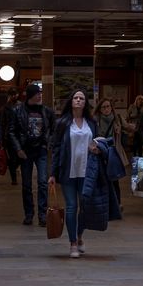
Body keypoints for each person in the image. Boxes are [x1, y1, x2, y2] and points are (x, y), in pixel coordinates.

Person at [49, 90, 102, 259]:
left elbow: (99, 141)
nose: (78, 100)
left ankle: (79, 236)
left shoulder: (91, 123)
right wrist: (52, 173)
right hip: (68, 171)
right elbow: (56, 148)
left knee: (85, 206)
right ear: (71, 101)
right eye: (75, 98)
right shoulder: (63, 123)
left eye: (82, 98)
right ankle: (72, 243)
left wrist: (97, 148)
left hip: (87, 171)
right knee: (71, 207)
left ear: (85, 103)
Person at [9, 83, 55, 226]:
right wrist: (18, 149)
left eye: (40, 93)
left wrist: (48, 143)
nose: (40, 95)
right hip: (25, 151)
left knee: (42, 182)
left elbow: (53, 130)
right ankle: (29, 214)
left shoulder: (47, 111)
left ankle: (42, 214)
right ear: (30, 96)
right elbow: (11, 131)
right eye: (37, 93)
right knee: (26, 185)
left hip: (41, 150)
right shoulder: (18, 111)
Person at [95, 97, 125, 206]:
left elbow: (128, 127)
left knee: (114, 179)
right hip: (101, 152)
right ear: (100, 109)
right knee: (102, 179)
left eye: (108, 106)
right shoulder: (96, 120)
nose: (106, 109)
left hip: (113, 152)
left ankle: (117, 203)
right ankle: (104, 203)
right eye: (104, 107)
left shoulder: (117, 119)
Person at [1, 88, 20, 184]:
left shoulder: (21, 106)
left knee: (18, 158)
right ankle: (14, 179)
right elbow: (2, 123)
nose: (14, 96)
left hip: (19, 135)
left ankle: (13, 168)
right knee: (13, 158)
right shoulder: (6, 108)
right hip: (9, 135)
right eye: (12, 95)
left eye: (15, 94)